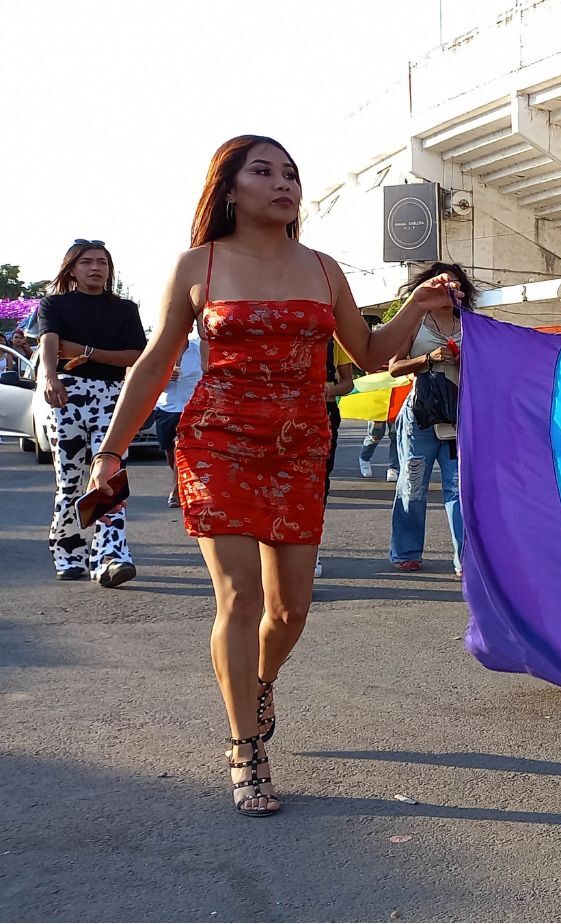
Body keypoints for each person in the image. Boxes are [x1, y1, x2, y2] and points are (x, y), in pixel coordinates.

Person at [85, 135, 452, 817]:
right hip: (217, 440)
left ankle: (259, 681)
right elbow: (158, 360)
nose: (283, 183)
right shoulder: (200, 264)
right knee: (240, 599)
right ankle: (245, 748)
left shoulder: (322, 269)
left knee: (289, 612)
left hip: (298, 445)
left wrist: (415, 309)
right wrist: (109, 454)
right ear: (228, 189)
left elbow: (367, 352)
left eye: (291, 173)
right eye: (264, 171)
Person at [36, 240, 147, 585]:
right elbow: (50, 343)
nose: (96, 268)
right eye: (87, 262)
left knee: (110, 479)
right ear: (72, 268)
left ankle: (110, 557)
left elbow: (135, 356)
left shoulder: (125, 309)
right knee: (70, 482)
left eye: (102, 262)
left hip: (114, 397)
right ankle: (67, 550)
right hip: (67, 395)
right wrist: (51, 376)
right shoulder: (54, 304)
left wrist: (87, 351)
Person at [386, 262, 469, 577]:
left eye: (455, 285)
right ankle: (406, 552)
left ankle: (465, 560)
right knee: (412, 484)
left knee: (459, 488)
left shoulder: (471, 324)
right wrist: (427, 359)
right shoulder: (415, 322)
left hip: (458, 417)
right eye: (442, 284)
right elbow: (394, 368)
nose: (449, 290)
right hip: (419, 415)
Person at [314, 345, 355, 578]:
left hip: (324, 414)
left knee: (319, 486)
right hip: (282, 412)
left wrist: (329, 389)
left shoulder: (334, 339)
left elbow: (348, 383)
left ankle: (311, 549)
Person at [153, 333, 204, 508]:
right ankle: (180, 478)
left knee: (179, 447)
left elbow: (208, 375)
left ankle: (176, 490)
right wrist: (164, 377)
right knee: (169, 450)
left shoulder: (199, 351)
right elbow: (143, 377)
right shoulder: (160, 352)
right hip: (166, 408)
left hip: (190, 408)